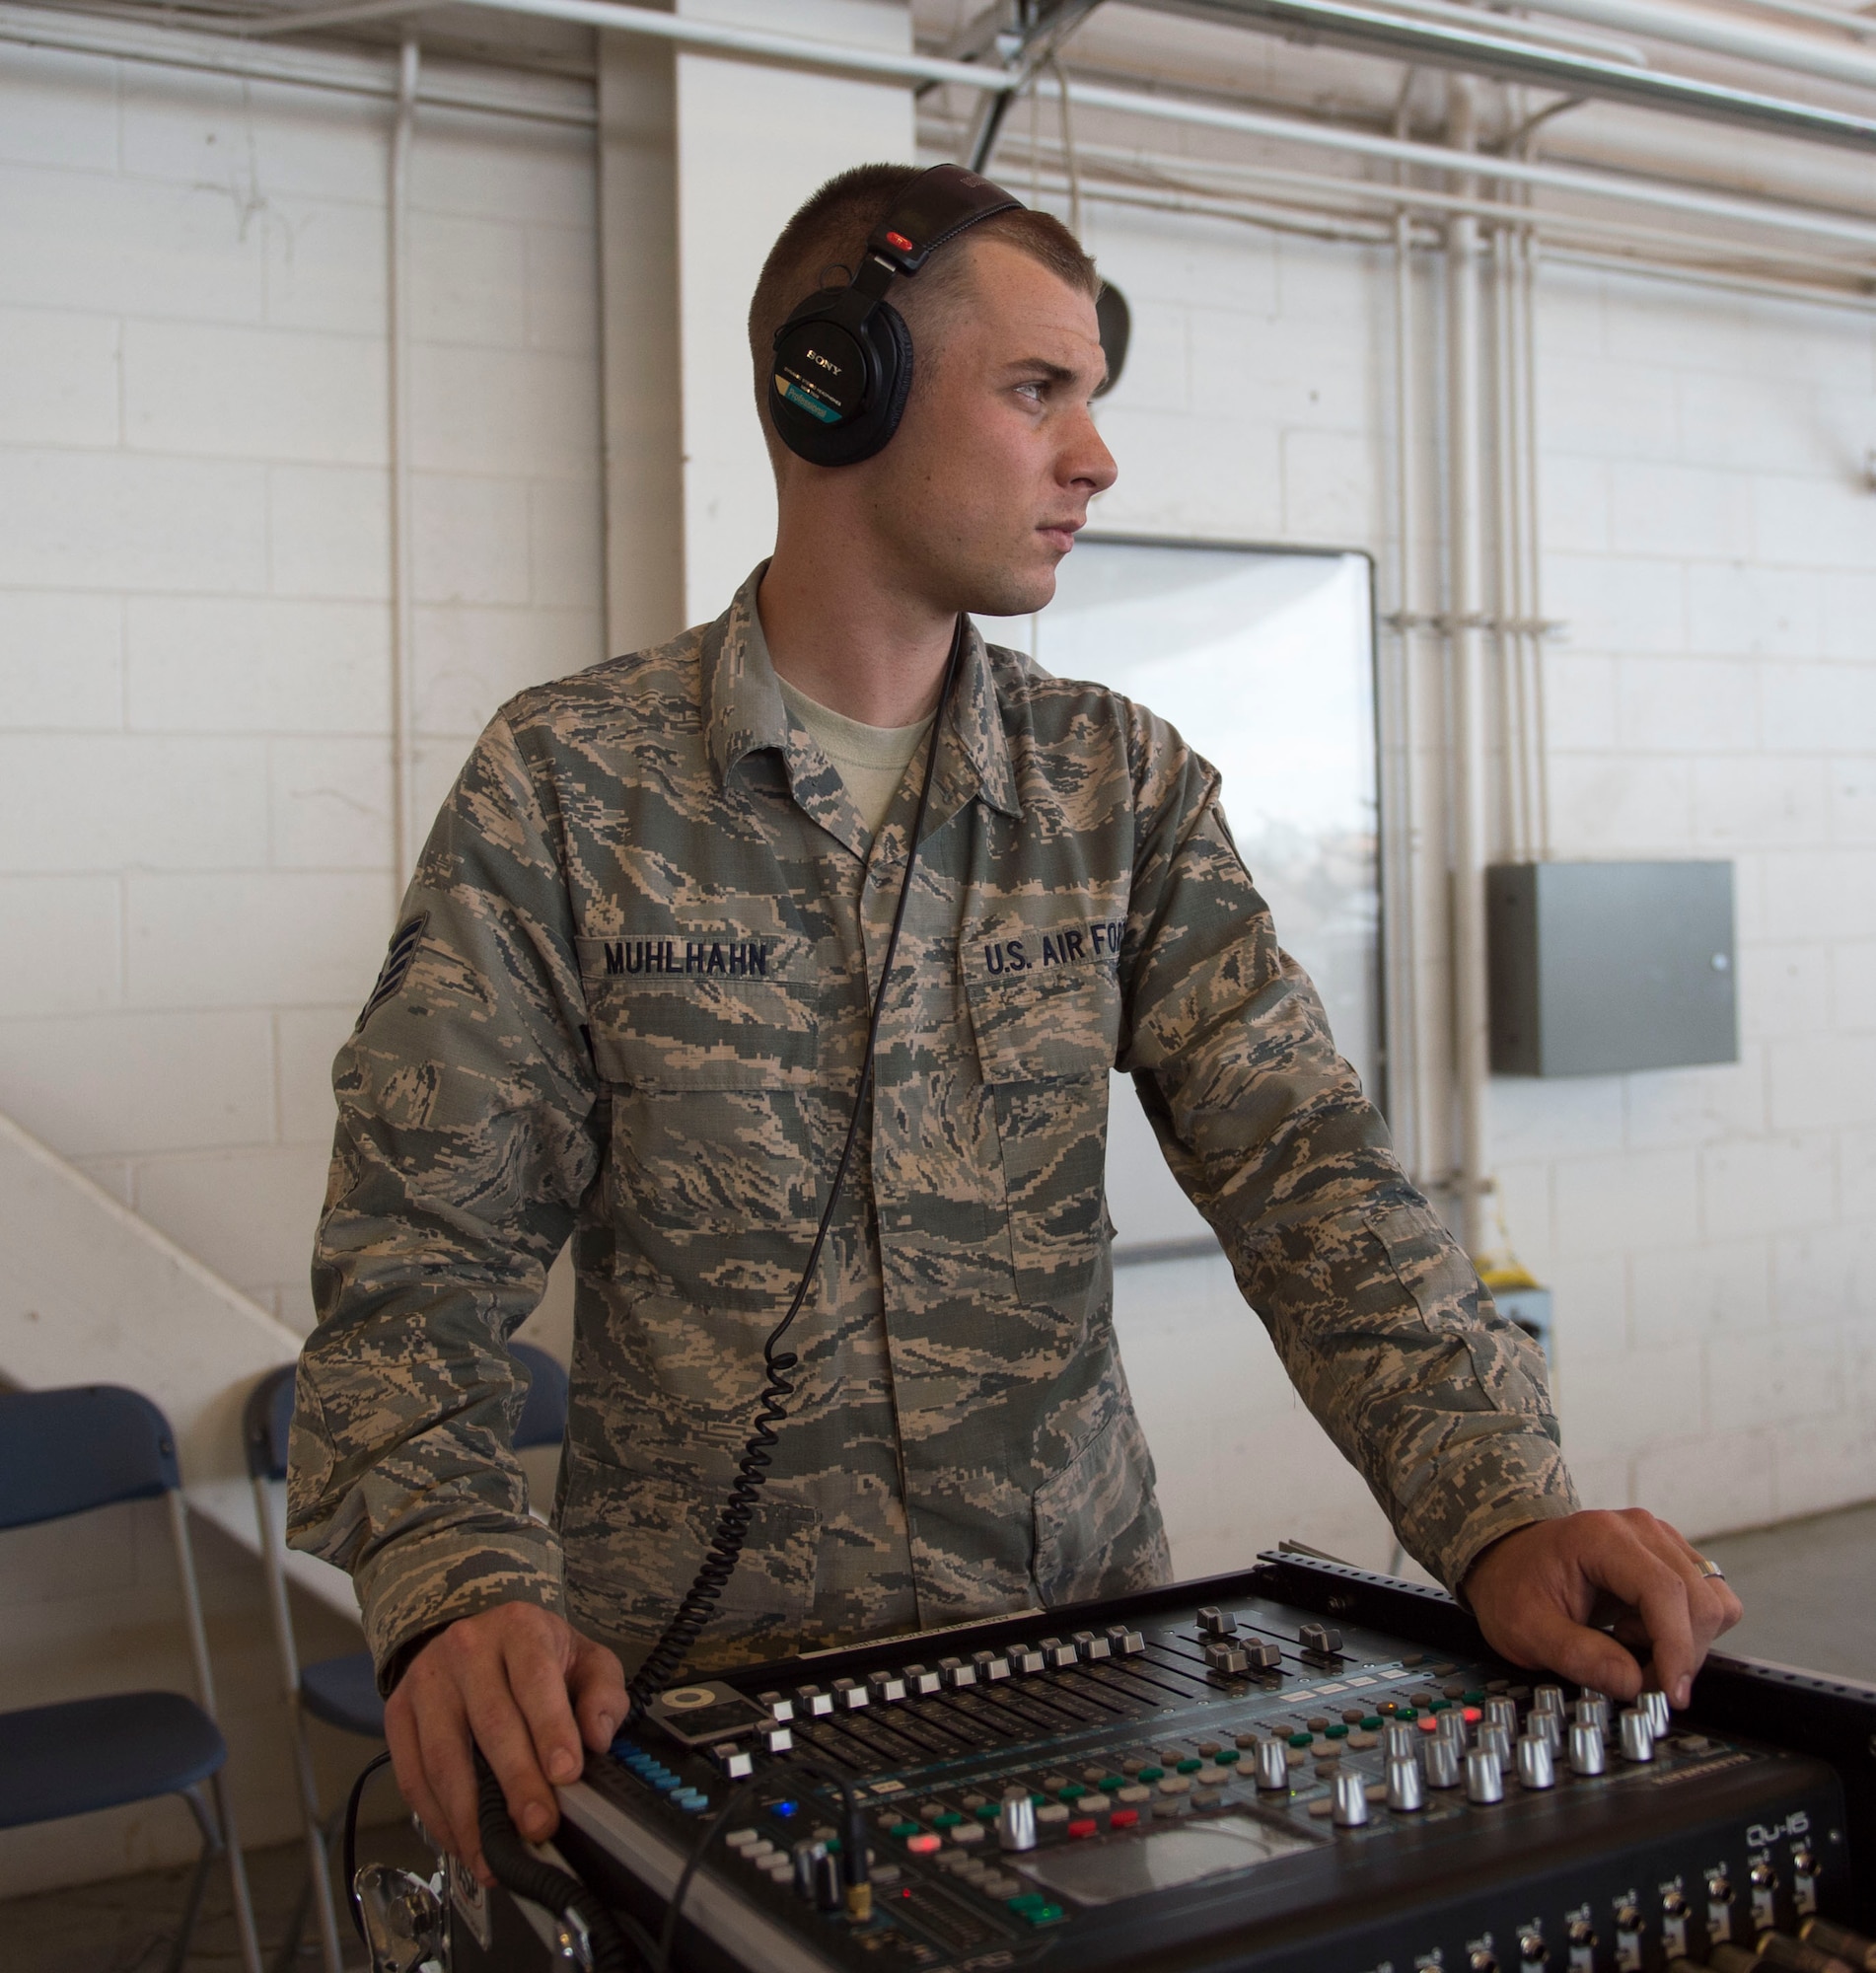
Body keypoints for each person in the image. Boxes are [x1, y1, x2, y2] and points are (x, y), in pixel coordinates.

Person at [288, 163, 1742, 1886]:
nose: (1095, 458)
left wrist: (1499, 1503)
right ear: (839, 389)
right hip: (701, 1717)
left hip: (1075, 1687)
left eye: (1092, 401)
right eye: (1038, 390)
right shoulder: (567, 787)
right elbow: (412, 1266)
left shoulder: (1114, 788)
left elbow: (1312, 1184)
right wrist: (456, 1584)